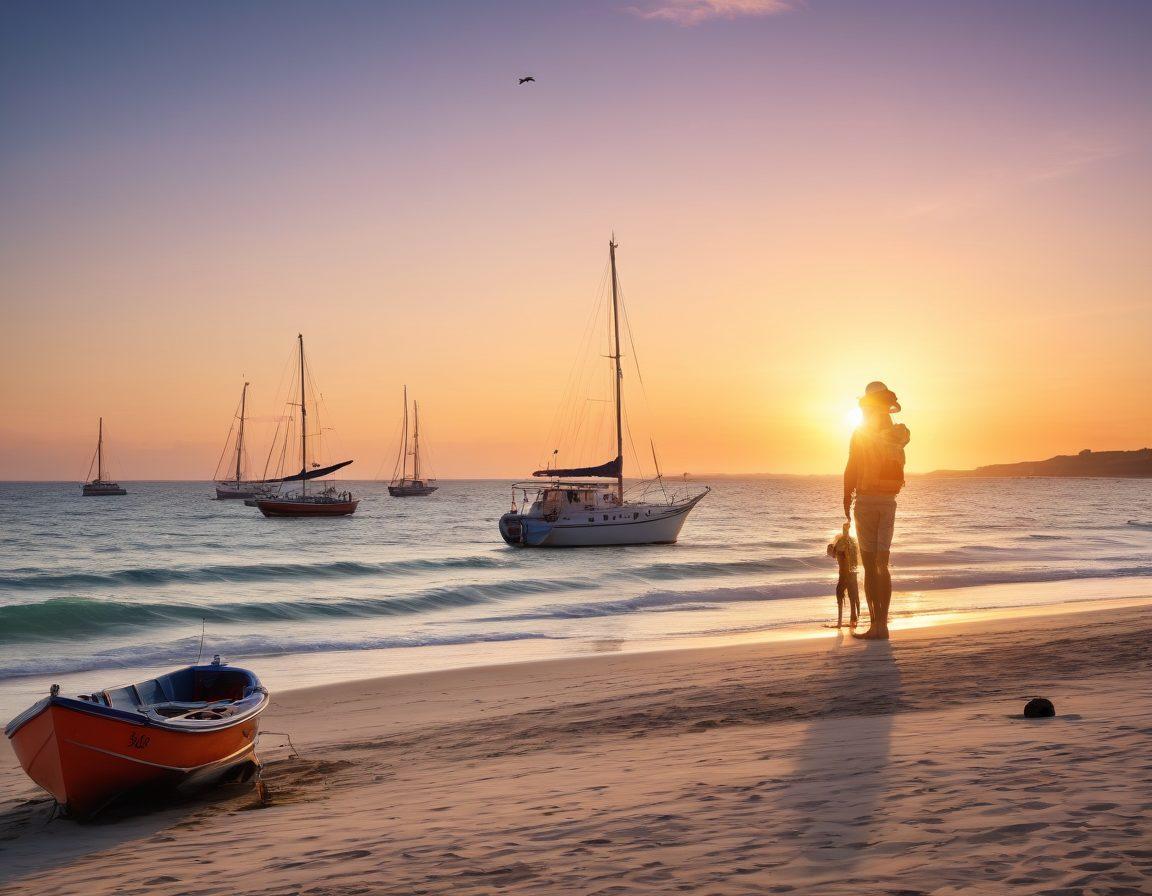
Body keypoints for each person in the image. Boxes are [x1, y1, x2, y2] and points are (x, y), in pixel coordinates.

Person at [843, 381, 910, 640]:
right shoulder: (898, 434)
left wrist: (846, 497)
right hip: (889, 501)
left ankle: (875, 626)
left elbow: (852, 466)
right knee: (883, 564)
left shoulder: (861, 432)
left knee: (870, 566)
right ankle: (883, 625)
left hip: (866, 501)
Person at [827, 522, 860, 628]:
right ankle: (853, 620)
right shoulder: (852, 542)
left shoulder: (840, 542)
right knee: (853, 595)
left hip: (845, 574)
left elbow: (833, 553)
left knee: (840, 594)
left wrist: (832, 549)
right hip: (852, 573)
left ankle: (840, 622)